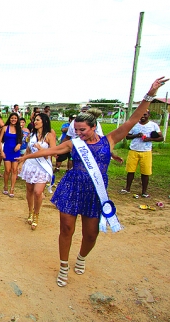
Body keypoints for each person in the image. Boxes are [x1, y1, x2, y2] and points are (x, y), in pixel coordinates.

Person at [17, 77, 167, 287]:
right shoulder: (73, 143)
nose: (78, 133)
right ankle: (63, 266)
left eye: (82, 130)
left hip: (95, 192)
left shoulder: (110, 140)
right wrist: (25, 157)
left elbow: (132, 120)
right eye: (75, 130)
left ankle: (81, 257)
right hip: (72, 187)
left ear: (94, 127)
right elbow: (51, 151)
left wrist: (149, 95)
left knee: (91, 233)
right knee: (66, 229)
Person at [18, 113, 56, 230]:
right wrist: (21, 162)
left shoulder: (50, 135)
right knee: (29, 190)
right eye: (35, 120)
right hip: (31, 166)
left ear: (44, 121)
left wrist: (41, 149)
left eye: (38, 120)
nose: (35, 122)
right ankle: (30, 211)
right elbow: (28, 150)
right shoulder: (32, 134)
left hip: (42, 167)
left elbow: (54, 153)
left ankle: (36, 214)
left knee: (38, 192)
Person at [121, 109, 163, 198]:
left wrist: (150, 139)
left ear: (149, 115)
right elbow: (127, 136)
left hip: (146, 151)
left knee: (145, 172)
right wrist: (136, 135)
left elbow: (161, 138)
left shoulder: (153, 125)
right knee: (130, 171)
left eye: (145, 114)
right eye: (141, 115)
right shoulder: (134, 125)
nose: (143, 116)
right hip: (134, 150)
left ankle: (144, 191)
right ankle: (127, 188)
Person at [0, 113, 23, 198]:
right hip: (7, 151)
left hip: (16, 152)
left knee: (14, 170)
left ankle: (12, 188)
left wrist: (19, 144)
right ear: (10, 119)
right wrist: (1, 152)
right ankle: (5, 186)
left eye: (15, 118)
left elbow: (21, 140)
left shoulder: (19, 129)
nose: (13, 119)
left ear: (17, 119)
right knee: (7, 170)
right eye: (12, 118)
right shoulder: (5, 128)